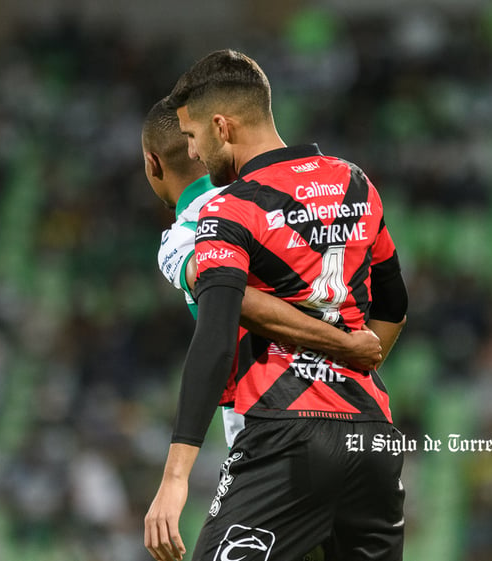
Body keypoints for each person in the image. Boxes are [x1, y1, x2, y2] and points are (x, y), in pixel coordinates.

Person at [144, 50, 408, 561]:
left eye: (194, 136)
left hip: (286, 435)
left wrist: (175, 479)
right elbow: (394, 303)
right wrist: (353, 363)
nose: (193, 154)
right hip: (373, 438)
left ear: (222, 126)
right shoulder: (355, 181)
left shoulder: (232, 207)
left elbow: (216, 335)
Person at [142, 98, 385, 449]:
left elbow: (229, 293)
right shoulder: (288, 196)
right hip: (351, 410)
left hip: (268, 420)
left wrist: (345, 345)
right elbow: (383, 292)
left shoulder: (184, 236)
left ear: (153, 163)